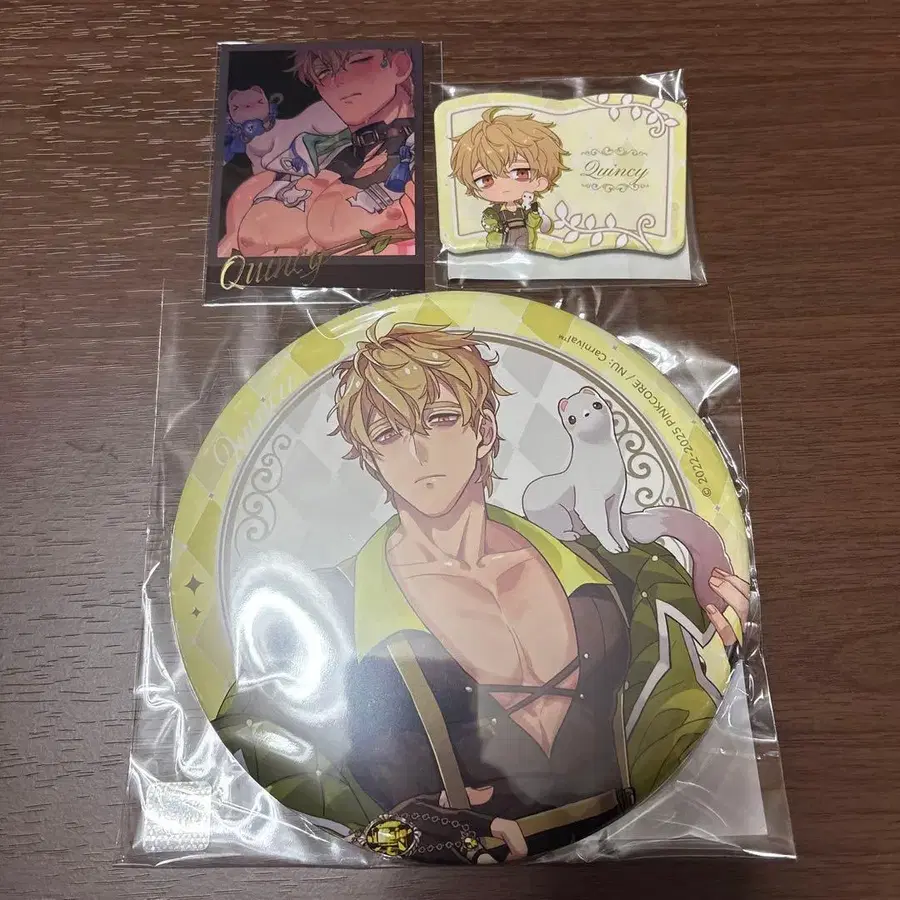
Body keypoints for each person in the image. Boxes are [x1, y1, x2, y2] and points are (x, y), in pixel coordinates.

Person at [214, 322, 750, 863]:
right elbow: (247, 740)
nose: (419, 451)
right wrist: (392, 828)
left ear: (485, 430)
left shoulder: (611, 571)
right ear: (370, 458)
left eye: (441, 419)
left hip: (647, 857)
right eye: (389, 434)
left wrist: (722, 623)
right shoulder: (326, 606)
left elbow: (689, 683)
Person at [219, 47, 417, 259]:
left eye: (360, 61)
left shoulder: (418, 161)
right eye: (324, 72)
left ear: (399, 66)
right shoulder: (303, 156)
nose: (339, 81)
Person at [450, 108, 567, 250]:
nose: (504, 185)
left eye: (520, 173)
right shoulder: (493, 212)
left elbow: (532, 224)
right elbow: (489, 223)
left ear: (540, 182)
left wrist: (535, 214)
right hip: (501, 243)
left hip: (525, 241)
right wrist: (494, 226)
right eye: (486, 179)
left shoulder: (526, 208)